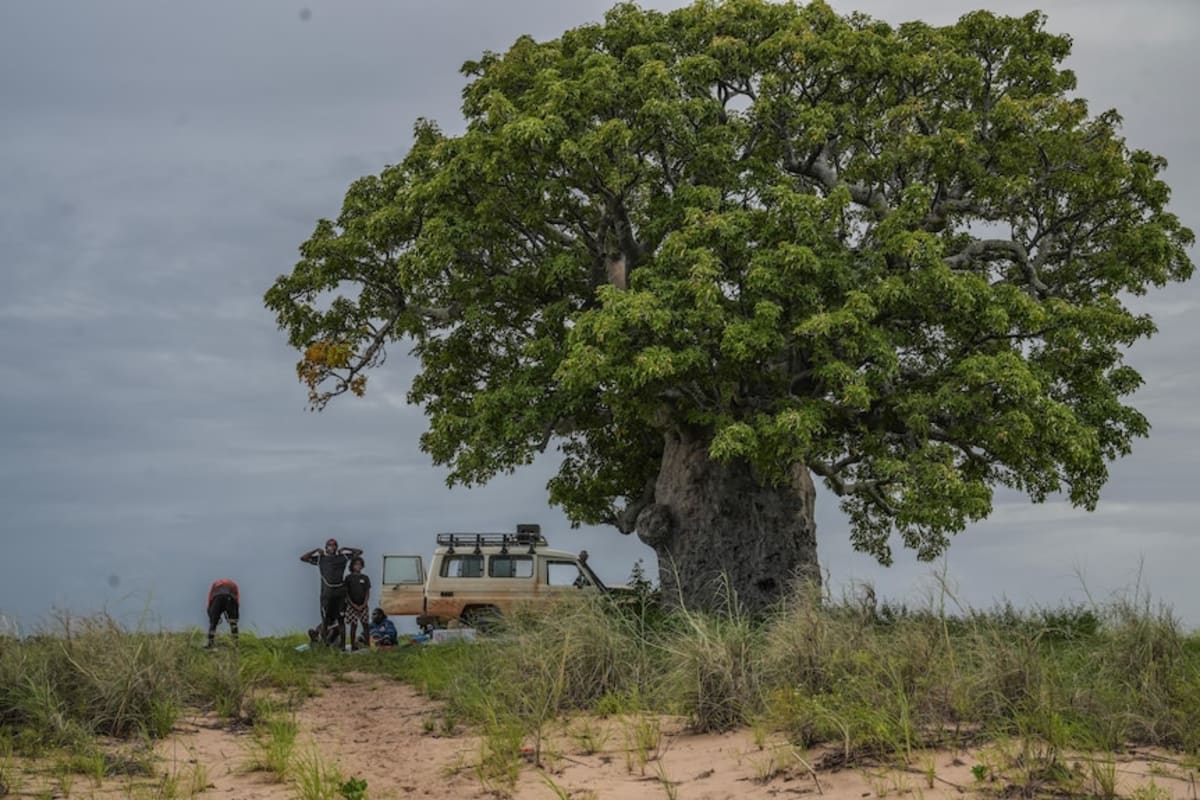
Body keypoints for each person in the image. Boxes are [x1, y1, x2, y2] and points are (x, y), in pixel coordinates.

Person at [300, 538, 362, 648]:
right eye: (329, 545)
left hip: (339, 594)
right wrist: (316, 550)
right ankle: (324, 645)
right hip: (326, 595)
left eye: (334, 545)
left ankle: (342, 646)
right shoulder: (321, 559)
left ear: (336, 547)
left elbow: (359, 552)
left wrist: (345, 549)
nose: (332, 547)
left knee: (340, 620)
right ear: (326, 547)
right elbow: (303, 558)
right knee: (325, 620)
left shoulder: (342, 557)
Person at [344, 556, 371, 650]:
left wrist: (364, 604)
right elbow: (346, 593)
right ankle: (353, 645)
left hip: (363, 605)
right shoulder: (348, 578)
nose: (358, 566)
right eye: (356, 564)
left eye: (360, 564)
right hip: (352, 605)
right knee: (353, 625)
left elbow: (367, 592)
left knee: (365, 624)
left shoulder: (365, 578)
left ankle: (368, 644)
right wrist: (353, 604)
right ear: (352, 566)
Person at [206, 578, 239, 648]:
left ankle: (210, 644)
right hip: (230, 597)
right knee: (233, 622)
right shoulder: (233, 584)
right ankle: (235, 644)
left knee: (213, 623)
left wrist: (211, 615)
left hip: (217, 598)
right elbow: (237, 599)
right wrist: (236, 615)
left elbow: (210, 597)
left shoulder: (215, 583)